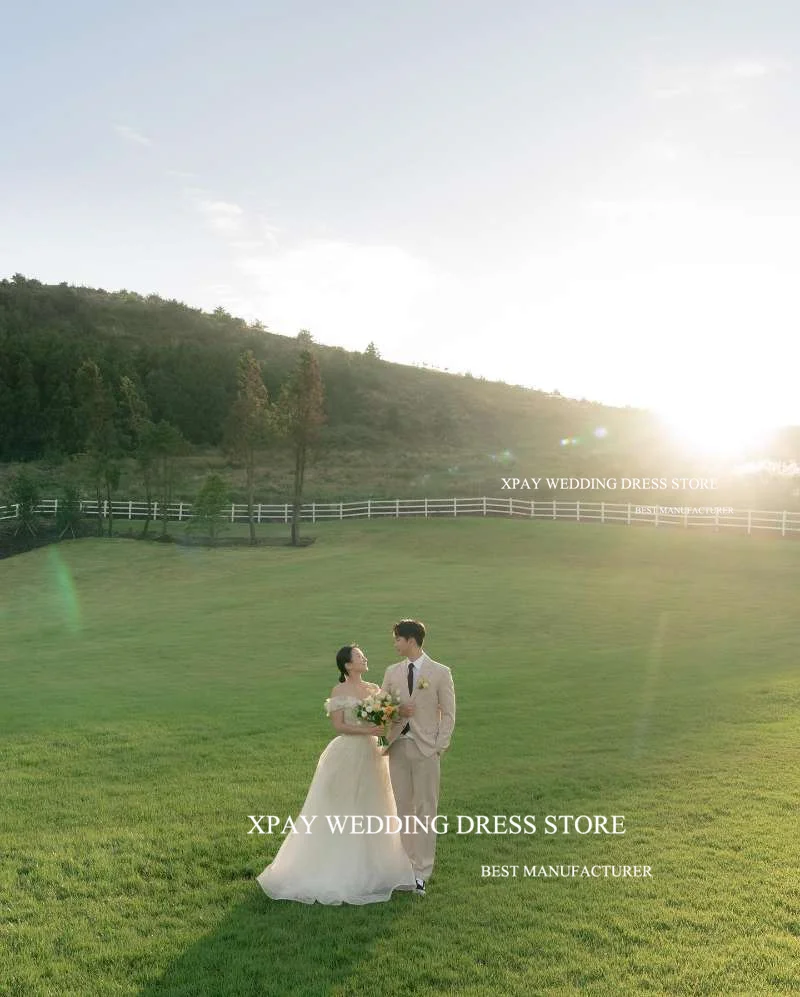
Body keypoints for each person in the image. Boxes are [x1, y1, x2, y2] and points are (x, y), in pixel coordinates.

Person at [256, 644, 416, 904]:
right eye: (359, 656)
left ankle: (374, 867)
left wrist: (388, 720)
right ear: (347, 665)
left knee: (374, 806)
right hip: (347, 753)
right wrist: (369, 732)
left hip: (373, 754)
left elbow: (385, 717)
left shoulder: (375, 688)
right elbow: (338, 725)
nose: (365, 658)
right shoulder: (339, 690)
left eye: (364, 655)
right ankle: (337, 866)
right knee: (343, 806)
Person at [381, 619, 456, 896]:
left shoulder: (440, 672)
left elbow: (448, 713)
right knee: (403, 810)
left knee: (426, 810)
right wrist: (400, 709)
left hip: (426, 750)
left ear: (411, 640)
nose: (395, 644)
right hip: (398, 747)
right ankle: (406, 867)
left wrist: (439, 746)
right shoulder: (391, 672)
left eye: (397, 639)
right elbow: (382, 709)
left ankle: (422, 872)